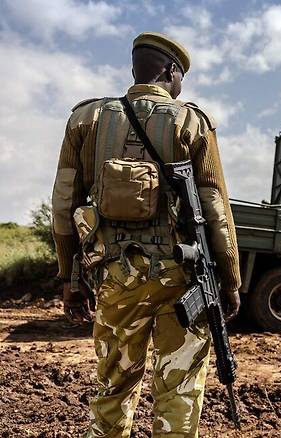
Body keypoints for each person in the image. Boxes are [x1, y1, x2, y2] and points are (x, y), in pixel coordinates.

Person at [51, 32, 241, 437]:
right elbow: (216, 211)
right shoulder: (192, 122)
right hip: (180, 277)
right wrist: (232, 281)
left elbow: (63, 206)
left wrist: (70, 277)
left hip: (113, 277)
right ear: (171, 72)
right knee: (179, 388)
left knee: (113, 387)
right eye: (180, 77)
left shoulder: (86, 119)